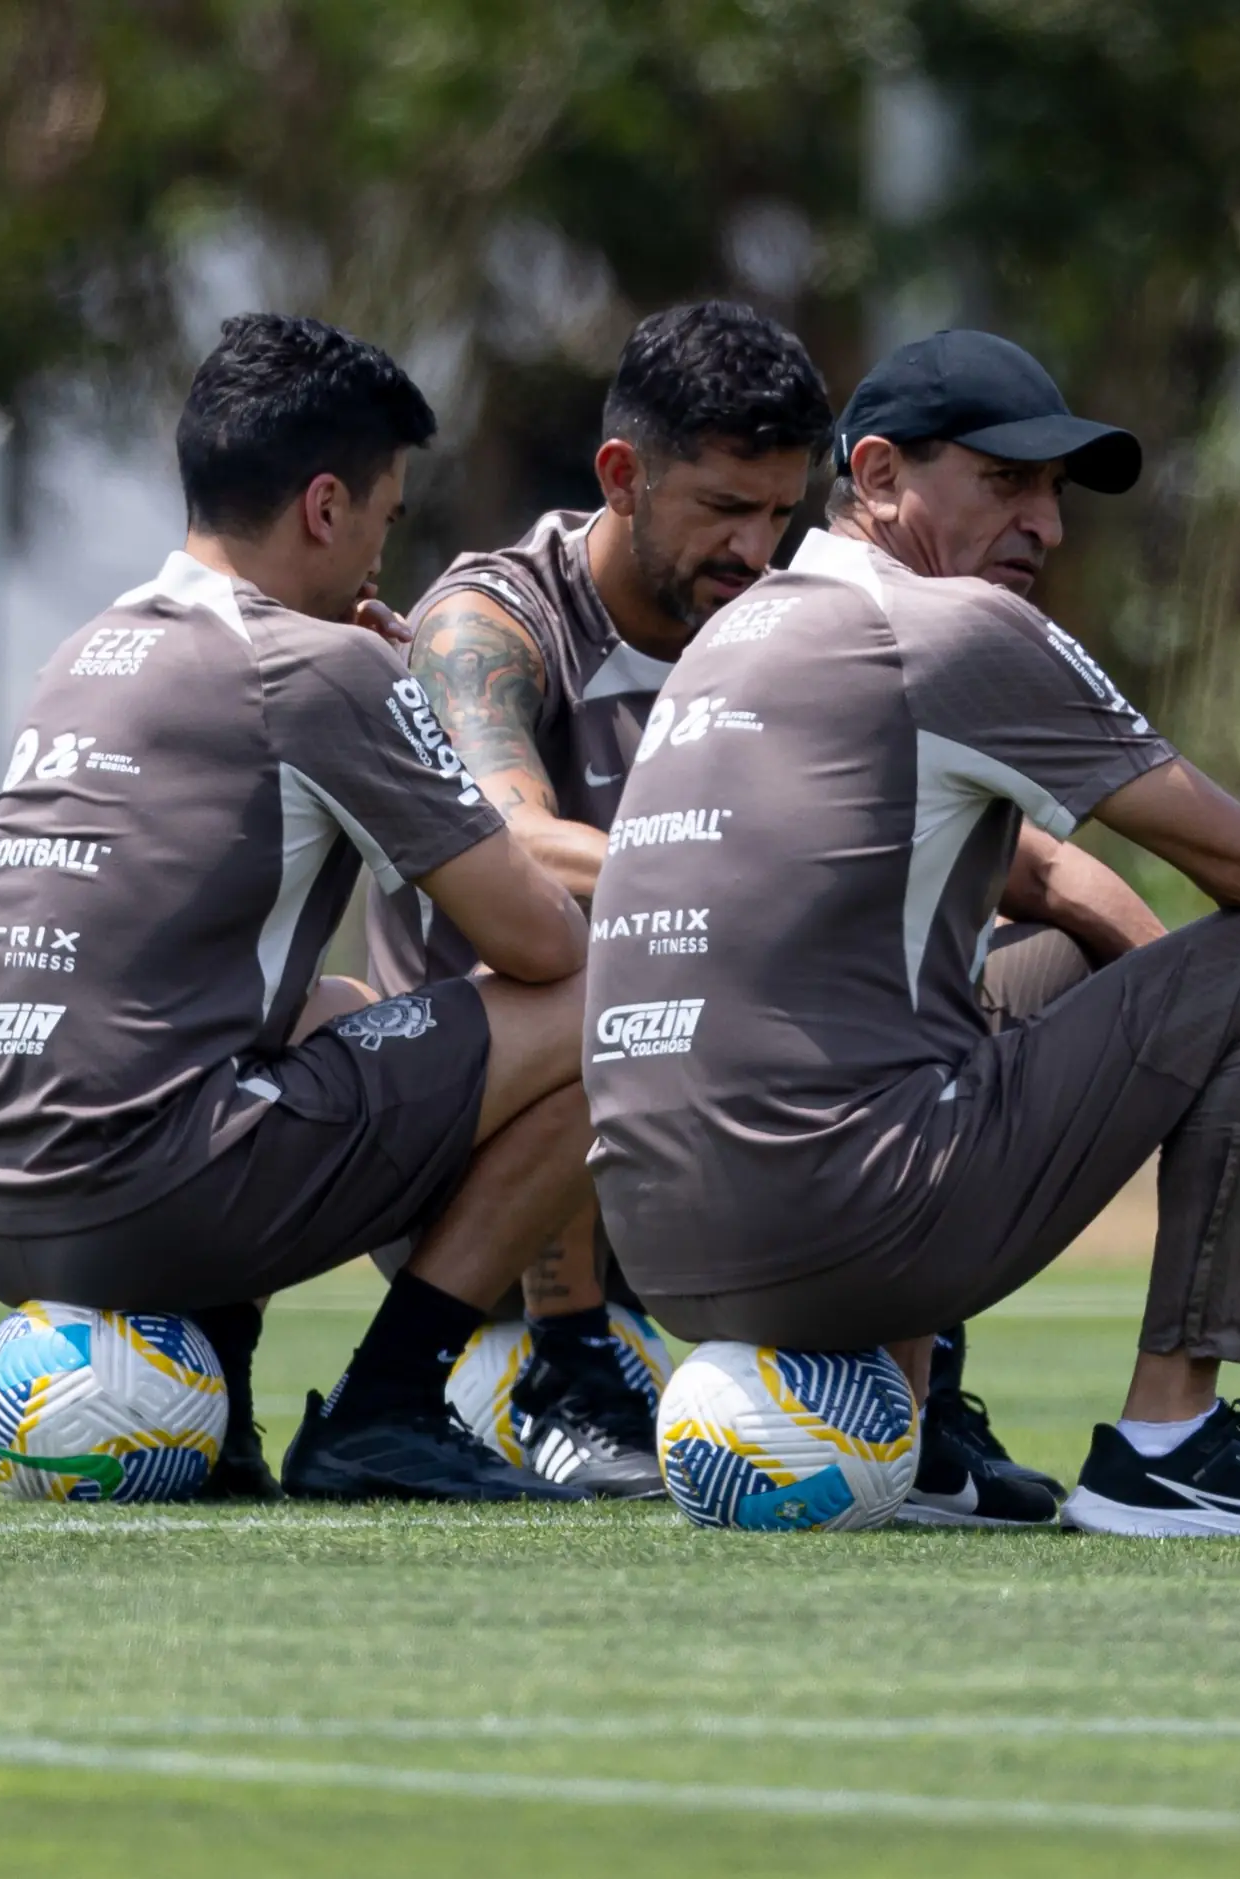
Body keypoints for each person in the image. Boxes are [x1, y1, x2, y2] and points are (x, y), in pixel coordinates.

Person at [584, 328, 1240, 1539]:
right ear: (875, 477)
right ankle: (1167, 1451)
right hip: (829, 1228)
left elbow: (1061, 890)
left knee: (1039, 960)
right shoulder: (950, 628)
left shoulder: (732, 635)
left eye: (1055, 492)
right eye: (1006, 481)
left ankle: (910, 1442)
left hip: (653, 1244)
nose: (1047, 525)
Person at [0, 312, 598, 1505]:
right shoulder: (318, 665)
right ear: (326, 505)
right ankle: (392, 1401)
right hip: (141, 1199)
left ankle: (224, 1398)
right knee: (611, 1004)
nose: (380, 565)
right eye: (387, 522)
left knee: (334, 1001)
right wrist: (406, 704)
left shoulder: (83, 651)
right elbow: (540, 941)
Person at [354, 300, 831, 1498]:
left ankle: (922, 1393)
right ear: (621, 475)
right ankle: (566, 1364)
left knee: (962, 957)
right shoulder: (491, 621)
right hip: (467, 1148)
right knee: (602, 953)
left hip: (681, 1150)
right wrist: (741, 893)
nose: (755, 549)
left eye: (779, 513)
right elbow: (508, 840)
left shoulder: (772, 628)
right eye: (723, 509)